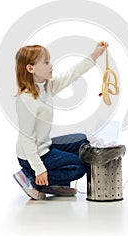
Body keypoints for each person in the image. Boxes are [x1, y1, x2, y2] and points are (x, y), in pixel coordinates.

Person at [13, 41, 109, 200]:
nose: (51, 65)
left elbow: (71, 74)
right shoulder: (26, 100)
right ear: (31, 68)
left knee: (82, 142)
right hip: (32, 156)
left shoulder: (46, 87)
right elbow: (27, 139)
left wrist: (95, 55)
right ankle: (31, 180)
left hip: (45, 146)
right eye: (46, 62)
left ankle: (56, 184)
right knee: (80, 167)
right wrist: (39, 169)